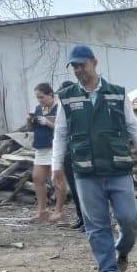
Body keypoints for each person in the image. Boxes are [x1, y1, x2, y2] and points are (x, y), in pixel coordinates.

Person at [52, 45, 137, 272]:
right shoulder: (67, 98)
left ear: (94, 63)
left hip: (118, 169)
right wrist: (56, 167)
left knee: (130, 219)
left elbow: (133, 128)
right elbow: (61, 134)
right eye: (74, 66)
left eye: (82, 65)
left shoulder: (117, 94)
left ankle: (121, 252)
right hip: (86, 172)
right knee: (96, 225)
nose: (78, 70)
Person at [26, 82, 66, 223]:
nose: (40, 100)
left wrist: (48, 123)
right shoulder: (38, 108)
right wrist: (30, 121)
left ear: (51, 95)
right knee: (37, 178)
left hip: (54, 147)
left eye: (42, 97)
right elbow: (31, 129)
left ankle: (59, 210)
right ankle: (42, 210)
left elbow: (62, 128)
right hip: (41, 147)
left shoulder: (59, 108)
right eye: (37, 97)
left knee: (57, 178)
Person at [55, 80, 84, 231]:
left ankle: (88, 220)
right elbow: (59, 133)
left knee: (84, 189)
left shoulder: (81, 109)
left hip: (79, 152)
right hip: (67, 152)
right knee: (74, 188)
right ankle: (81, 217)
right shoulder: (63, 110)